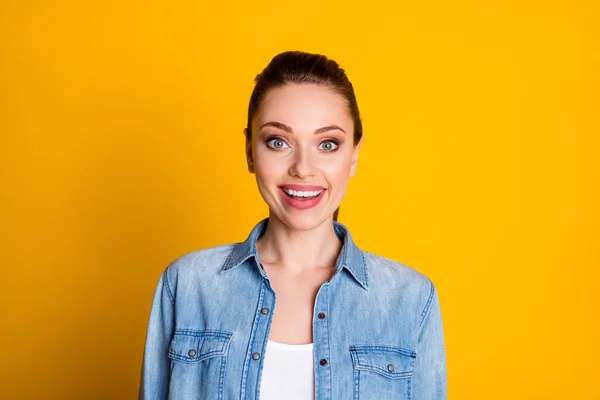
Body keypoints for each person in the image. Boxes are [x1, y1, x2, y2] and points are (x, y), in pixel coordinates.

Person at [138, 50, 447, 400]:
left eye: (327, 144)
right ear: (250, 151)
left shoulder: (410, 299)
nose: (303, 167)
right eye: (278, 142)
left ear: (354, 155)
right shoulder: (187, 285)